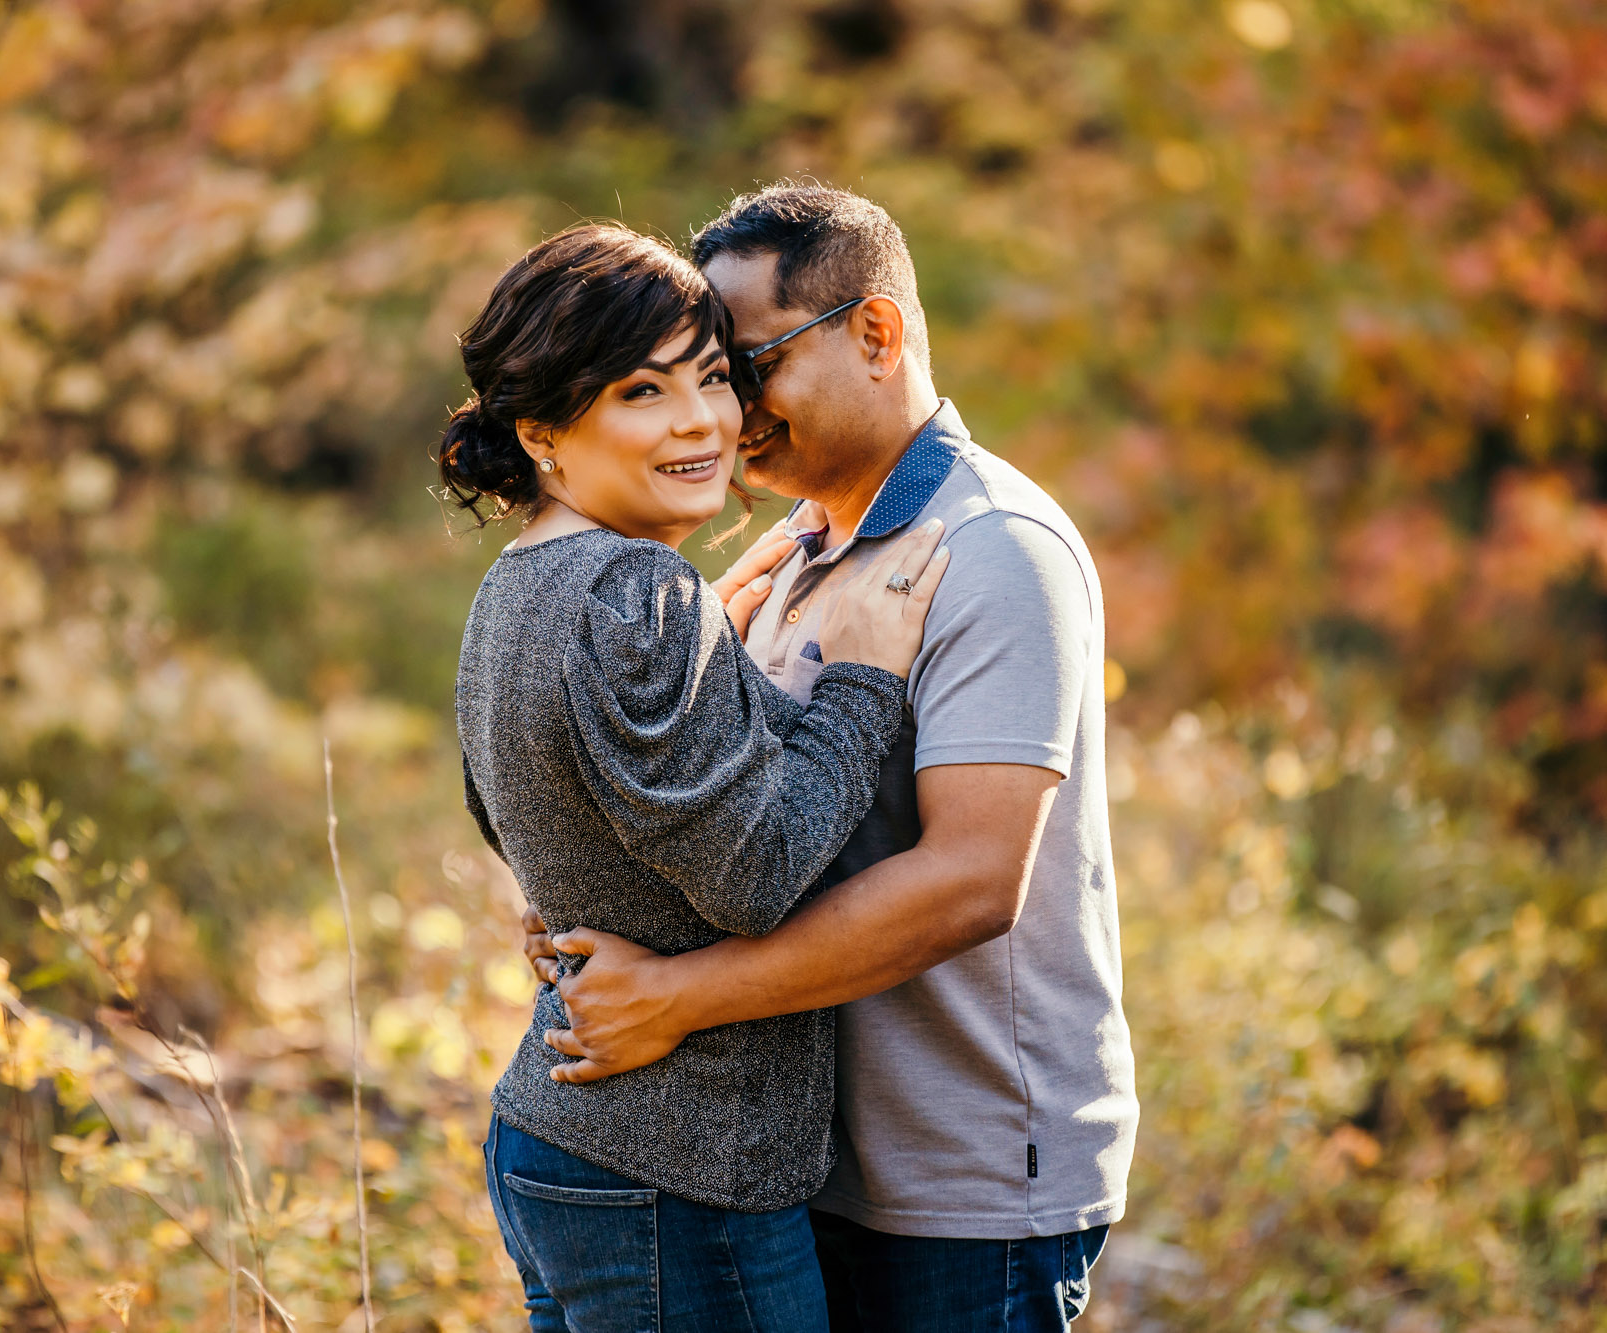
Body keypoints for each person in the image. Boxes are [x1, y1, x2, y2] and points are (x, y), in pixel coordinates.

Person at [525, 184, 1139, 1331]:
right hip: (806, 1164)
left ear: (874, 332)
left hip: (961, 1190)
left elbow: (969, 882)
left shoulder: (992, 551)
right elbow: (742, 820)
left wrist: (674, 999)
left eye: (745, 368)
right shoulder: (800, 549)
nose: (724, 413)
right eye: (707, 375)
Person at [444, 222, 950, 1333]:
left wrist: (713, 659)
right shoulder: (640, 595)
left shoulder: (519, 586)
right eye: (639, 391)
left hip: (566, 1145)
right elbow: (759, 875)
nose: (702, 422)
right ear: (542, 434)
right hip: (678, 1171)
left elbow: (514, 809)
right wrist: (860, 677)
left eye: (715, 377)